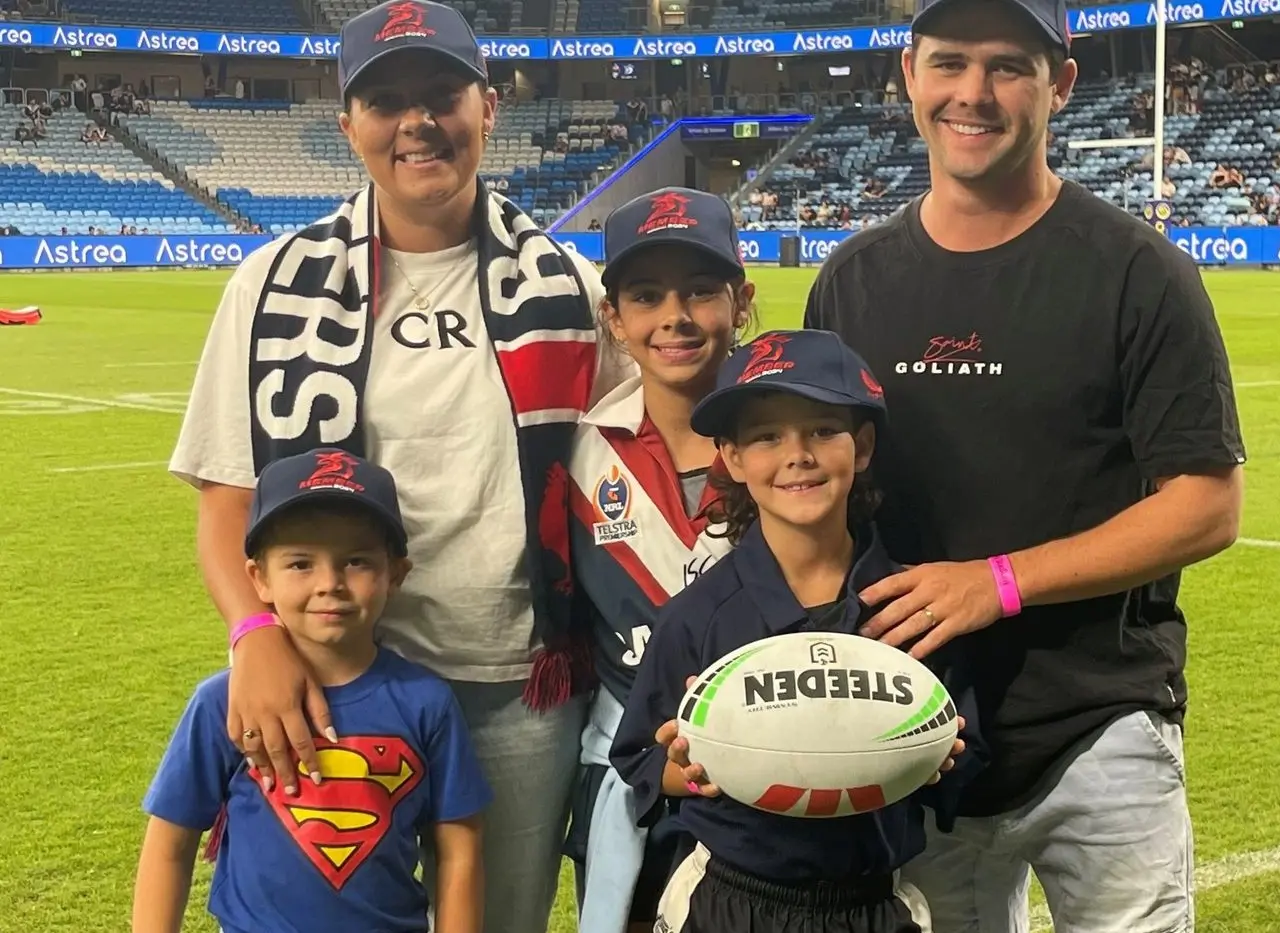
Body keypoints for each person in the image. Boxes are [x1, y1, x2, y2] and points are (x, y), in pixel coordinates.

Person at [167, 3, 632, 933]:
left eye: (441, 95)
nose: (417, 121)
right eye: (386, 100)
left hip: (517, 680)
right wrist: (254, 633)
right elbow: (227, 501)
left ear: (488, 107)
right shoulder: (270, 285)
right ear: (349, 126)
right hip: (325, 682)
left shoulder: (572, 290)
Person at [802, 0, 1246, 930]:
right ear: (908, 77)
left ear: (1061, 85)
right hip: (914, 722)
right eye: (950, 62)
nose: (974, 92)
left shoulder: (1137, 271)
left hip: (1101, 722)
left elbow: (1206, 503)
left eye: (1008, 66)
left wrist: (999, 582)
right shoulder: (851, 280)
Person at [610, 329, 987, 933]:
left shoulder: (915, 603)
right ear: (732, 459)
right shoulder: (699, 615)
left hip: (874, 904)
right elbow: (641, 760)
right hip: (728, 902)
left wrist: (940, 757)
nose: (797, 454)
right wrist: (697, 765)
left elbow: (962, 765)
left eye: (821, 430)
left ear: (861, 446)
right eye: (766, 436)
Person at [133, 449, 489, 933]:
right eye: (300, 563)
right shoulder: (224, 702)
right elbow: (170, 844)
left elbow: (458, 851)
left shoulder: (426, 702)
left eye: (357, 562)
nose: (330, 584)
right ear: (257, 578)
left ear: (395, 575)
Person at [562, 187, 756, 933]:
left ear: (740, 301)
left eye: (701, 290)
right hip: (627, 775)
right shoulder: (578, 450)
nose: (674, 315)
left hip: (765, 766)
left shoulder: (787, 445)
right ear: (614, 317)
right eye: (645, 295)